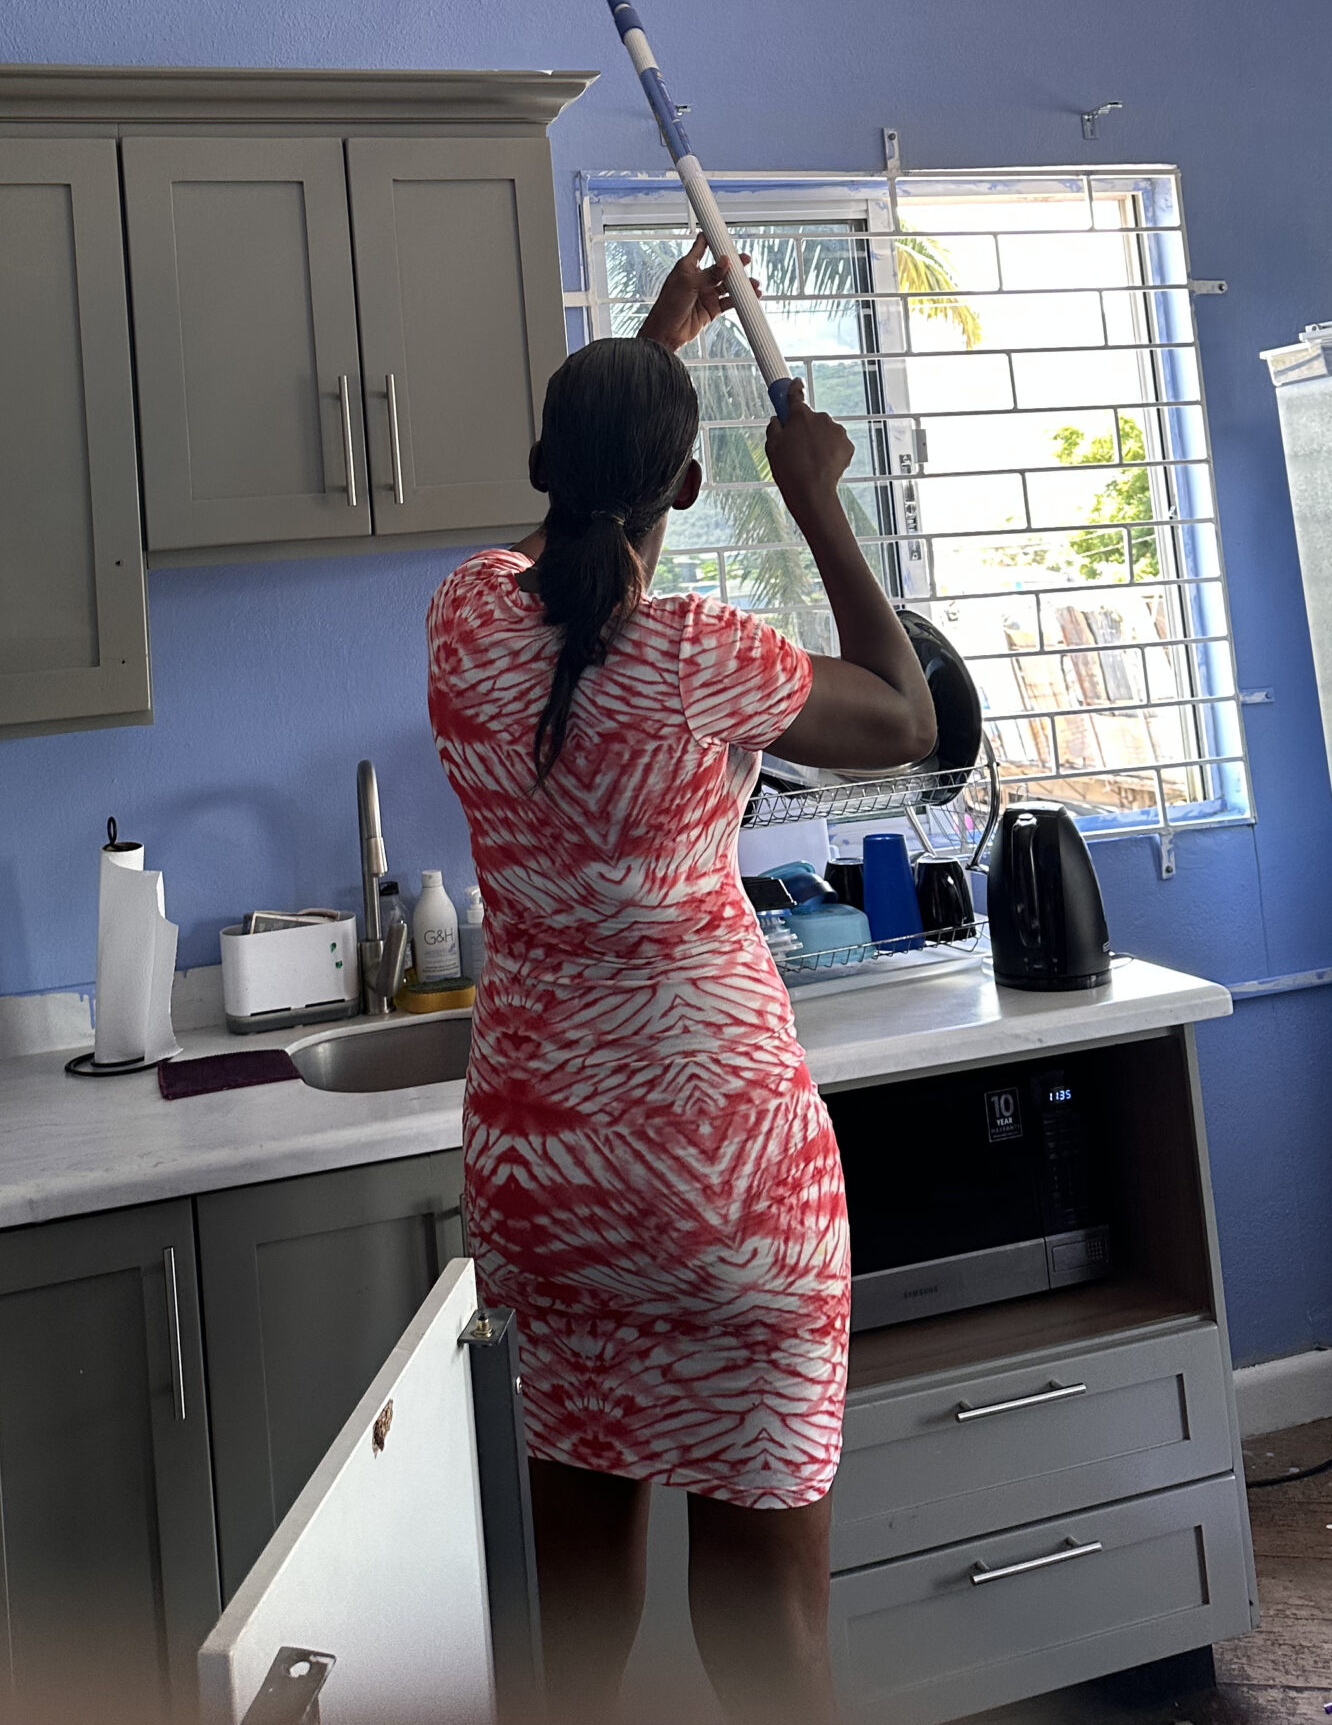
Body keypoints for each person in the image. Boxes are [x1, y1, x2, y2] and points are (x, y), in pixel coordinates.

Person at [426, 239, 937, 1725]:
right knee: (765, 1617)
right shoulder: (703, 657)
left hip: (547, 1184)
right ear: (687, 488)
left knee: (576, 1614)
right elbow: (904, 715)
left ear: (543, 465)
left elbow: (567, 540)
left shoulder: (461, 622)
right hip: (724, 1184)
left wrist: (656, 345)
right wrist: (817, 490)